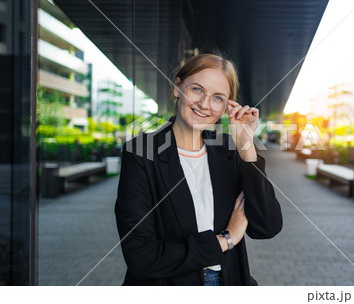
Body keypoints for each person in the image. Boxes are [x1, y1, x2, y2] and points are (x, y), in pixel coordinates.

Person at [115, 52, 283, 286]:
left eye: (217, 98)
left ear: (227, 106)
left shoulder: (228, 153)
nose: (204, 104)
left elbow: (267, 226)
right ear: (177, 88)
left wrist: (246, 146)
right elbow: (141, 256)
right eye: (197, 89)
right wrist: (225, 240)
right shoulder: (141, 152)